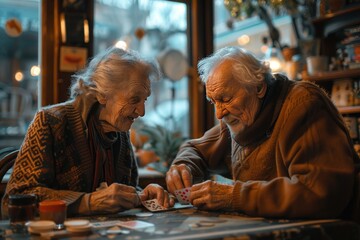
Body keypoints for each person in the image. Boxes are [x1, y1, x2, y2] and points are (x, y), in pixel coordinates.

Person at [166, 46, 360, 220]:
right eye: (213, 101)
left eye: (225, 99)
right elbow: (195, 149)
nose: (219, 113)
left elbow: (320, 192)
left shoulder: (303, 104)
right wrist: (183, 166)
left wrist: (234, 196)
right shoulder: (238, 117)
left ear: (258, 87)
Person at [2, 46, 174, 218]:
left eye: (145, 99)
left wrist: (141, 195)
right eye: (134, 99)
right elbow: (14, 198)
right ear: (102, 95)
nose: (142, 111)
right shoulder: (50, 122)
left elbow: (116, 195)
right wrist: (87, 202)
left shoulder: (120, 132)